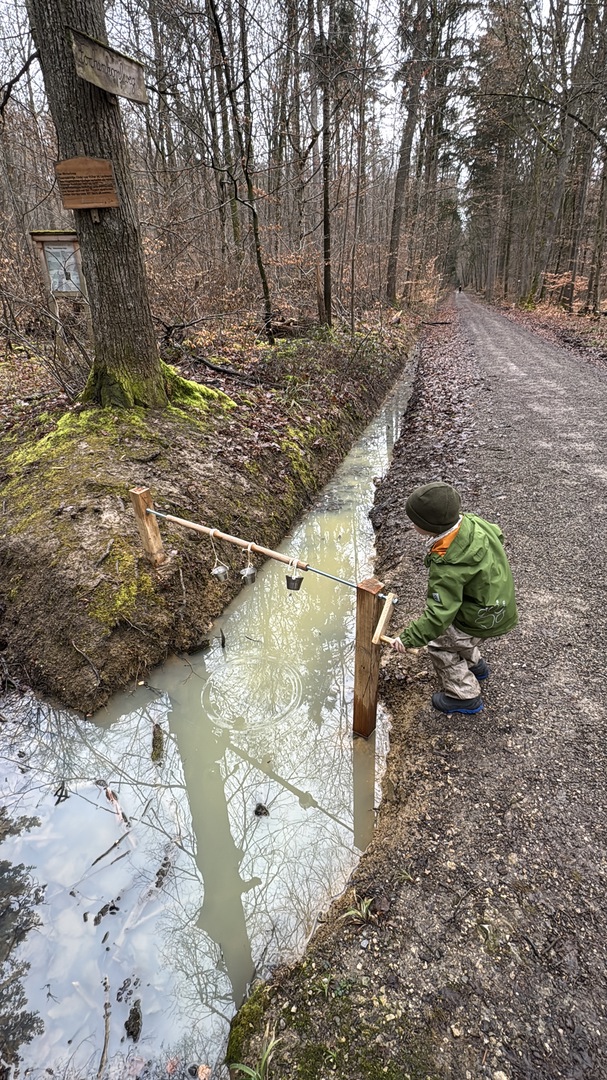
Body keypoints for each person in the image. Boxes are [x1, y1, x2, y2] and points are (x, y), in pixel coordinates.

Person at [392, 481, 518, 715]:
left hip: (480, 616)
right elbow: (497, 533)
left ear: (429, 526)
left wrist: (409, 638)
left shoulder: (448, 565)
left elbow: (439, 615)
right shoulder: (471, 523)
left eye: (415, 522)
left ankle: (464, 695)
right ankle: (475, 665)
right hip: (498, 604)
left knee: (440, 645)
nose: (411, 525)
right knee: (461, 637)